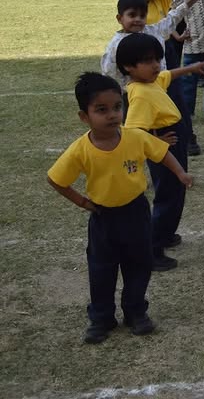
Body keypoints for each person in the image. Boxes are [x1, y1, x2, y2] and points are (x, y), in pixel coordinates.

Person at [47, 72, 193, 343]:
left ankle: (136, 312)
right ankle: (101, 318)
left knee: (139, 264)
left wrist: (181, 173)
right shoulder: (80, 149)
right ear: (84, 116)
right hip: (103, 218)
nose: (112, 115)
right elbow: (56, 179)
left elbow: (161, 152)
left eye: (117, 107)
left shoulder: (135, 137)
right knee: (101, 269)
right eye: (101, 110)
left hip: (136, 213)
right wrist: (82, 202)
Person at [117, 33, 204, 271]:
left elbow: (168, 75)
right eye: (148, 61)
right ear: (128, 66)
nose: (156, 65)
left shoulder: (150, 82)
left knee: (176, 192)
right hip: (164, 146)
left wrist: (190, 68)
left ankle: (165, 234)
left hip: (172, 139)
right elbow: (133, 132)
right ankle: (153, 249)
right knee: (168, 195)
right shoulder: (140, 94)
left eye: (157, 59)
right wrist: (157, 141)